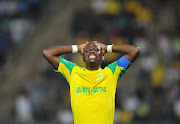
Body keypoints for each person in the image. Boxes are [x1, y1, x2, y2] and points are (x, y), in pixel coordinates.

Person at [43, 41, 140, 124]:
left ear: (102, 57)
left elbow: (134, 50)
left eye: (96, 50)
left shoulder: (111, 72)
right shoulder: (73, 71)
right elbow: (47, 53)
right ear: (83, 57)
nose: (92, 51)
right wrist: (76, 48)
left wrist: (107, 48)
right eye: (87, 50)